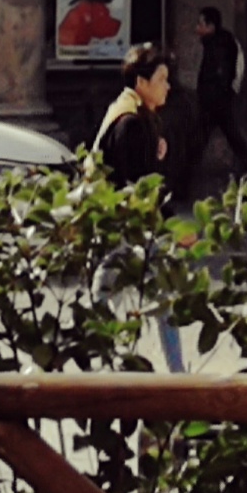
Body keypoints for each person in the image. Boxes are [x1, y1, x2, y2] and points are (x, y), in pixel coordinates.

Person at [88, 45, 187, 366]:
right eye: (161, 79)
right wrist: (174, 225)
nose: (167, 86)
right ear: (141, 83)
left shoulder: (140, 116)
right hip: (129, 227)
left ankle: (106, 360)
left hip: (133, 227)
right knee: (118, 295)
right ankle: (108, 362)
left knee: (146, 299)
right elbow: (137, 185)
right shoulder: (130, 122)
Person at [184, 3, 247, 192]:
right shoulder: (218, 42)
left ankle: (183, 181)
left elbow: (220, 75)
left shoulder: (219, 45)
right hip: (218, 102)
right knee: (226, 139)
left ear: (210, 26)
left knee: (202, 141)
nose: (197, 29)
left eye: (200, 24)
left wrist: (212, 98)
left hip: (216, 102)